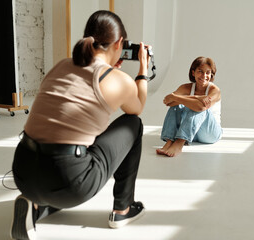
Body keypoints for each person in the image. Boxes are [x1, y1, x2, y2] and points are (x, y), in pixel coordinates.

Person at [11, 10, 150, 240]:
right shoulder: (116, 80)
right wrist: (143, 72)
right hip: (68, 181)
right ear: (120, 44)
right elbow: (138, 107)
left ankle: (35, 206)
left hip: (24, 172)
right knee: (133, 124)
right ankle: (123, 210)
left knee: (72, 137)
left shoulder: (60, 65)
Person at [156, 56, 222, 157]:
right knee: (176, 107)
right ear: (193, 72)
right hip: (192, 133)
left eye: (208, 72)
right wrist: (198, 97)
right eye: (200, 71)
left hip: (210, 134)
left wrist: (177, 97)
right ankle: (169, 141)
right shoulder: (185, 87)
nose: (204, 75)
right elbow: (168, 101)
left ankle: (179, 143)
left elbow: (200, 108)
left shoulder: (215, 90)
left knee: (198, 108)